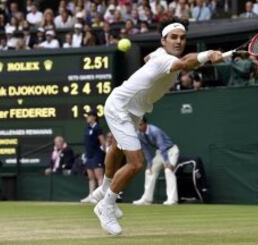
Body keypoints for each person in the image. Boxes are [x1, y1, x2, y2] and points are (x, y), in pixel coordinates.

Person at [91, 19, 223, 236]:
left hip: (133, 110)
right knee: (136, 163)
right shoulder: (165, 60)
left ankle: (105, 189)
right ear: (164, 40)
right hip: (120, 108)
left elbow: (152, 58)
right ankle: (105, 205)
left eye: (182, 37)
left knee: (115, 148)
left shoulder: (157, 55)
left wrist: (151, 60)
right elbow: (186, 63)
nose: (179, 41)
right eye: (174, 37)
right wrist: (208, 54)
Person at [133, 117, 180, 205]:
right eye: (137, 125)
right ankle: (147, 199)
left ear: (145, 124)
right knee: (149, 171)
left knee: (168, 171)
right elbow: (145, 149)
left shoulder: (155, 131)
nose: (139, 127)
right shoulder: (139, 134)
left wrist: (167, 163)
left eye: (141, 125)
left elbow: (162, 146)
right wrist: (149, 163)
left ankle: (172, 200)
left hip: (171, 151)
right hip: (160, 153)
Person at [80, 110, 106, 203]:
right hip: (89, 155)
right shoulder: (87, 128)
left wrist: (105, 152)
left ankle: (100, 197)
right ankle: (91, 196)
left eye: (89, 116)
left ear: (94, 117)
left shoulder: (97, 128)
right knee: (91, 177)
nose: (88, 118)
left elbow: (103, 142)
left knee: (99, 176)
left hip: (97, 154)